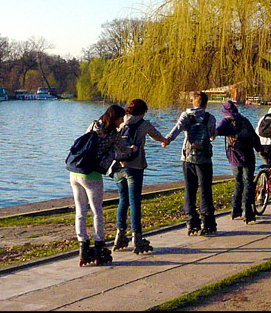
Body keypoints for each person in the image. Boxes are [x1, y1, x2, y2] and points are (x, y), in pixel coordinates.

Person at [69, 104, 135, 266]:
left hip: (75, 172)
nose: (122, 123)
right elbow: (123, 151)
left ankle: (83, 247)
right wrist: (133, 149)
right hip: (91, 175)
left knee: (80, 211)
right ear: (114, 119)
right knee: (97, 211)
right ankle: (99, 246)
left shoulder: (93, 124)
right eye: (120, 119)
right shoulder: (113, 134)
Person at [110, 98, 170, 254]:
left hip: (118, 167)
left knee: (123, 200)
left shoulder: (121, 122)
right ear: (143, 112)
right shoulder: (144, 124)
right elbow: (156, 135)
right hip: (134, 167)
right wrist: (164, 141)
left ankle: (120, 235)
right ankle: (137, 238)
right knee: (135, 202)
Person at [164, 91, 219, 236]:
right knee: (205, 190)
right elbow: (213, 135)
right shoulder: (210, 118)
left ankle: (191, 221)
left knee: (189, 189)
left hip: (187, 158)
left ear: (193, 102)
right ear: (205, 104)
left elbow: (176, 129)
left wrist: (167, 140)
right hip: (204, 160)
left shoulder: (185, 116)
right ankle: (207, 222)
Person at [216, 100, 262, 224]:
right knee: (248, 182)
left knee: (238, 182)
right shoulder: (245, 120)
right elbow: (254, 137)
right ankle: (248, 213)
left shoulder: (226, 121)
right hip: (248, 155)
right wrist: (260, 150)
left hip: (235, 156)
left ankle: (236, 210)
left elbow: (217, 131)